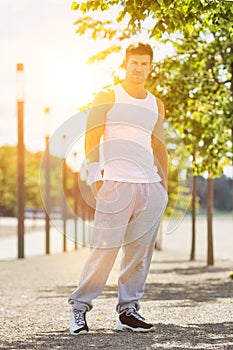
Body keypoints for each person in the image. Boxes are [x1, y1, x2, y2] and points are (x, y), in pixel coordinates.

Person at [68, 42, 168, 334]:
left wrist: (164, 185)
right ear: (125, 64)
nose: (139, 68)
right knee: (104, 250)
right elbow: (92, 135)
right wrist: (95, 176)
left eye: (144, 64)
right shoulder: (109, 95)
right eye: (134, 63)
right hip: (115, 182)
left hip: (150, 186)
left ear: (151, 67)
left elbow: (158, 144)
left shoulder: (155, 103)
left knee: (139, 255)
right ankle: (79, 308)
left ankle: (128, 310)